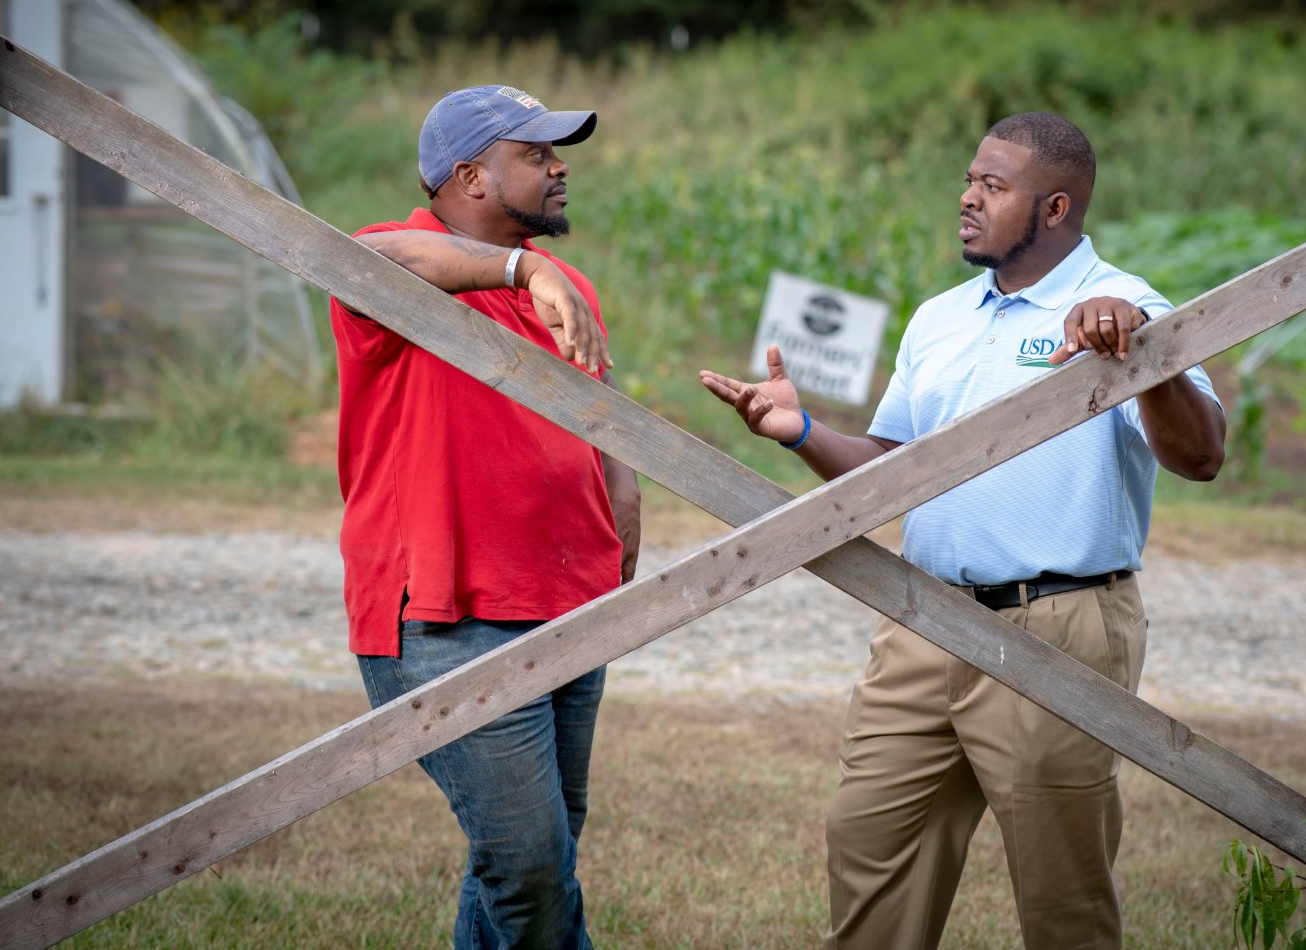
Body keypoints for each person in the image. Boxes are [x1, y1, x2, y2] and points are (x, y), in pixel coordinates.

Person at [700, 111, 1225, 949]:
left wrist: (1141, 360)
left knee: (1063, 902)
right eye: (970, 178)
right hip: (920, 623)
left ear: (1055, 209)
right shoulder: (940, 317)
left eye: (993, 185)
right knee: (867, 847)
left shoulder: (1129, 309)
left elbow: (1201, 456)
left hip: (1055, 628)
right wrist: (798, 431)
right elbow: (888, 468)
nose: (967, 197)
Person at [331, 84, 641, 950]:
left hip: (570, 599)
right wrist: (521, 267)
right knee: (530, 862)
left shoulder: (566, 282)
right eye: (535, 154)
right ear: (469, 174)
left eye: (555, 152)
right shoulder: (389, 259)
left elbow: (596, 396)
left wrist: (624, 486)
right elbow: (375, 264)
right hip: (447, 615)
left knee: (532, 858)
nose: (559, 166)